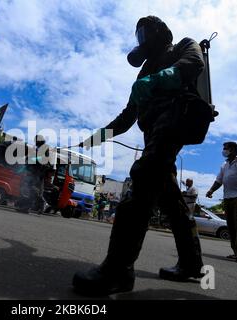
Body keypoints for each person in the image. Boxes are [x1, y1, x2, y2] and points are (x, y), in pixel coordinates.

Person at [73, 16, 205, 296]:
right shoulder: (143, 71)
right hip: (154, 137)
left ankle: (118, 270)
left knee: (143, 180)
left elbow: (194, 63)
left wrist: (161, 78)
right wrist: (95, 138)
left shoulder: (183, 46)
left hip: (173, 125)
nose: (142, 39)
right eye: (139, 34)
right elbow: (126, 117)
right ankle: (192, 264)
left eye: (145, 33)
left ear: (159, 33)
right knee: (171, 199)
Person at [206, 142, 237, 263]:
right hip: (227, 198)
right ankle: (236, 252)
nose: (223, 151)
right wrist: (211, 190)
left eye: (225, 149)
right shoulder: (224, 165)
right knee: (231, 225)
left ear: (232, 150)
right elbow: (219, 181)